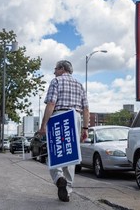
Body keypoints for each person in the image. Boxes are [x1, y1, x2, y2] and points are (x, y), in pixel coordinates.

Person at [38, 60, 89, 202]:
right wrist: (85, 128)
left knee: (55, 152)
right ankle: (67, 189)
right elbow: (86, 109)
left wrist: (43, 126)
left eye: (55, 69)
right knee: (70, 155)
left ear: (61, 68)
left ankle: (59, 178)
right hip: (75, 117)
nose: (54, 72)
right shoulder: (79, 84)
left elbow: (51, 103)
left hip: (58, 116)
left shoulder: (56, 81)